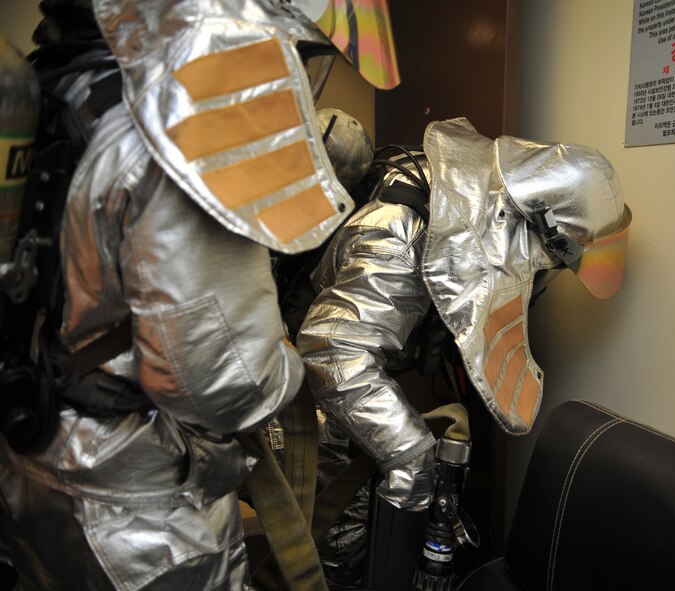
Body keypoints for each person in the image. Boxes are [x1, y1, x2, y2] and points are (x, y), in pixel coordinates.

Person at [0, 0, 399, 589]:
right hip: (138, 518)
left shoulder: (72, 84)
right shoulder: (186, 132)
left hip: (36, 463)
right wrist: (287, 368)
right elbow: (224, 384)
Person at [297, 117, 633, 511]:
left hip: (360, 376)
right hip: (310, 395)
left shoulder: (492, 204)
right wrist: (408, 453)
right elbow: (334, 346)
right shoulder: (403, 236)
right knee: (342, 533)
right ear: (540, 227)